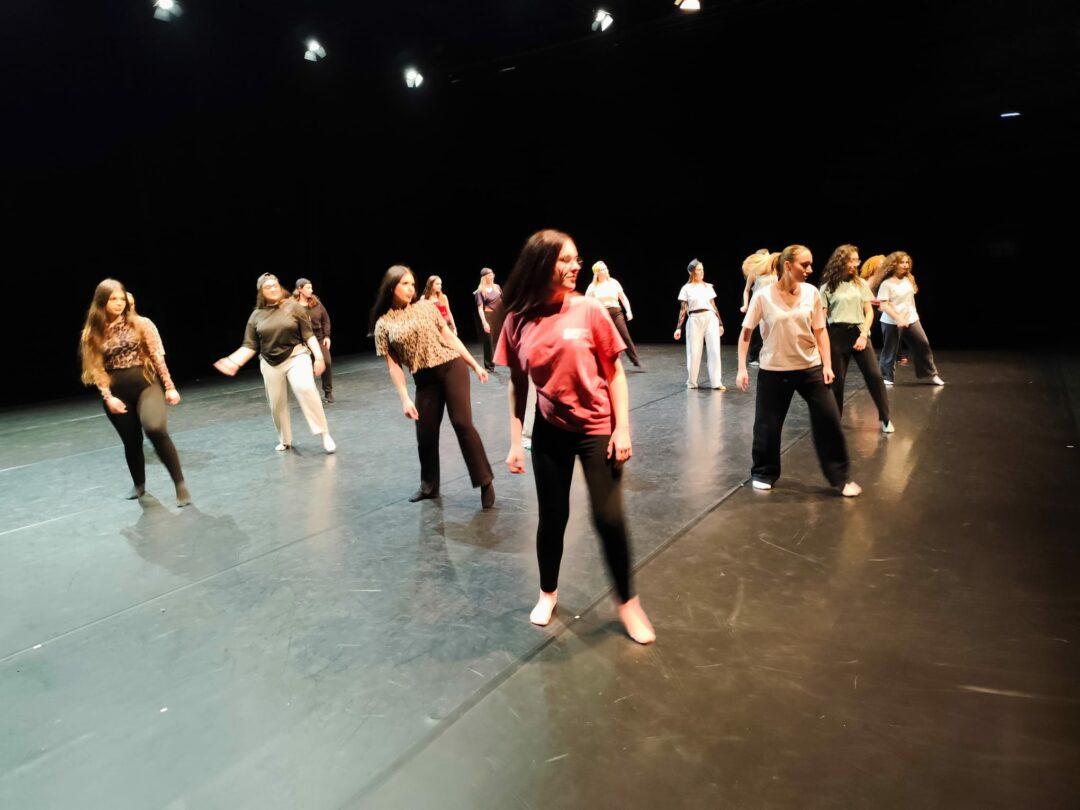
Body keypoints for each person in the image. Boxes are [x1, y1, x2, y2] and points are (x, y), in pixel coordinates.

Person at [497, 229, 655, 645]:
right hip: (550, 430)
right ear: (541, 263)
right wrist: (515, 440)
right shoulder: (517, 319)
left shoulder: (589, 310)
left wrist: (622, 428)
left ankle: (628, 603)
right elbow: (517, 383)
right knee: (552, 518)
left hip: (597, 426)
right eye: (565, 259)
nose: (575, 267)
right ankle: (547, 592)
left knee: (608, 518)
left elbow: (615, 372)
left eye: (577, 259)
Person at [736, 244, 862, 497]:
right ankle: (764, 472)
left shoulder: (811, 293)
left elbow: (820, 331)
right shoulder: (763, 296)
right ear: (787, 266)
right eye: (804, 264)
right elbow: (746, 333)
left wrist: (827, 364)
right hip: (774, 369)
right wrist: (741, 368)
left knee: (829, 418)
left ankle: (839, 477)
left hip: (809, 367)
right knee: (768, 425)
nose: (810, 269)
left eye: (810, 264)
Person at [370, 265, 495, 507]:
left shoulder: (426, 307)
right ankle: (429, 487)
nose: (411, 288)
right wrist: (404, 398)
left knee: (462, 423)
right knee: (425, 433)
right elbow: (394, 366)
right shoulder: (383, 324)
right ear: (392, 287)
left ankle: (485, 480)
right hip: (424, 379)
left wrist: (474, 364)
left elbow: (449, 337)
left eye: (412, 284)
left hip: (451, 367)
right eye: (405, 284)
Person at [79, 279, 191, 506]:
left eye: (121, 298)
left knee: (155, 429)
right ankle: (139, 484)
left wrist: (169, 387)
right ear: (102, 301)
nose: (119, 303)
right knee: (131, 440)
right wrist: (108, 397)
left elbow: (157, 357)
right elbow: (97, 368)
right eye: (113, 299)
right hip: (117, 393)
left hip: (145, 385)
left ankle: (180, 485)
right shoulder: (93, 332)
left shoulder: (140, 323)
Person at [213, 273, 336, 454]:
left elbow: (308, 335)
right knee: (276, 403)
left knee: (305, 388)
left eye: (275, 284)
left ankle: (324, 433)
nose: (273, 288)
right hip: (270, 362)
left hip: (296, 355)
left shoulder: (294, 307)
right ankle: (285, 440)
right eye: (268, 286)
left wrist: (318, 357)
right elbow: (249, 345)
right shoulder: (256, 316)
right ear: (261, 292)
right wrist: (233, 361)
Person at [818, 245, 894, 433]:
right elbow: (821, 318)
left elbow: (869, 312)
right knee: (837, 382)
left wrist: (863, 334)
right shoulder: (827, 286)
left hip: (859, 333)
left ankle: (885, 418)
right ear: (840, 261)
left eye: (856, 260)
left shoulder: (860, 283)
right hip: (837, 335)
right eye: (850, 260)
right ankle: (835, 419)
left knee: (875, 376)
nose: (854, 264)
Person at [876, 251, 945, 387]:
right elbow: (883, 305)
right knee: (890, 350)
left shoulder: (909, 278)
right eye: (902, 262)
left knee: (923, 343)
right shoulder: (887, 284)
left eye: (907, 262)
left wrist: (907, 315)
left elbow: (910, 296)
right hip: (891, 321)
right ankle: (887, 377)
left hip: (911, 319)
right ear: (893, 264)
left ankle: (931, 374)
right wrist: (898, 318)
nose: (905, 265)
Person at [674, 259, 725, 389]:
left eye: (702, 269)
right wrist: (678, 328)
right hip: (694, 319)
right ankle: (692, 381)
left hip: (710, 318)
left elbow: (713, 305)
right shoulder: (686, 288)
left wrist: (720, 323)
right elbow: (683, 309)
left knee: (714, 351)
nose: (702, 272)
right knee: (694, 351)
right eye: (698, 270)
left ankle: (716, 382)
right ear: (692, 272)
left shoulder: (708, 286)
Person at [585, 261, 641, 368]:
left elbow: (623, 298)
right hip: (601, 314)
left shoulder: (614, 282)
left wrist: (629, 311)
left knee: (625, 336)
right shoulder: (593, 286)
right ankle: (603, 362)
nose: (605, 270)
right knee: (603, 339)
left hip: (616, 313)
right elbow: (587, 302)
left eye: (605, 268)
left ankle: (635, 360)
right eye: (602, 269)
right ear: (596, 273)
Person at [293, 278, 334, 403]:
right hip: (301, 342)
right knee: (305, 369)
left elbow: (326, 320)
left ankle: (328, 392)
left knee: (327, 362)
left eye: (311, 287)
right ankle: (310, 395)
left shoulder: (316, 303)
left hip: (318, 339)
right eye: (308, 288)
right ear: (300, 289)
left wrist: (327, 336)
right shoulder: (293, 306)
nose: (311, 290)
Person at [740, 249, 778, 367]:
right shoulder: (754, 272)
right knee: (756, 332)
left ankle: (771, 356)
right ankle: (754, 357)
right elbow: (746, 290)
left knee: (772, 329)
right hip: (758, 303)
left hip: (772, 303)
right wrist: (745, 305)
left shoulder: (774, 271)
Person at [474, 268, 502, 371]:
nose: (492, 276)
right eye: (490, 275)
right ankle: (489, 365)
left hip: (499, 315)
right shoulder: (480, 291)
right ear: (485, 277)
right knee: (489, 341)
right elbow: (480, 308)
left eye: (492, 274)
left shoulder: (497, 287)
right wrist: (484, 322)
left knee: (502, 338)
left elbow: (502, 300)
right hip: (488, 316)